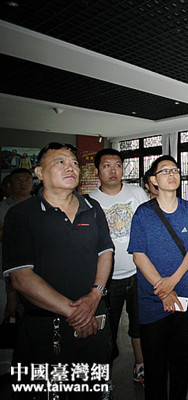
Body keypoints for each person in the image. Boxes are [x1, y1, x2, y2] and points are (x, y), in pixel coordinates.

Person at [2, 142, 113, 399]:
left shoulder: (92, 208)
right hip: (45, 326)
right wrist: (75, 313)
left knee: (90, 388)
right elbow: (21, 277)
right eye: (60, 162)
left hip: (94, 320)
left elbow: (105, 252)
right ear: (39, 173)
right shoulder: (21, 215)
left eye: (74, 163)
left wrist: (95, 295)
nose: (70, 167)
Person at [128, 155, 188, 400]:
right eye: (165, 170)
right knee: (155, 366)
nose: (172, 174)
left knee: (180, 362)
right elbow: (138, 255)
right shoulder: (143, 213)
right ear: (153, 180)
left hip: (181, 296)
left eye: (175, 170)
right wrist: (163, 288)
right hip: (152, 299)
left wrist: (172, 282)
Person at [89, 148, 149, 389]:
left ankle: (140, 366)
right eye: (106, 166)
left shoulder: (137, 193)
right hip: (106, 279)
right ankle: (105, 381)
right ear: (97, 171)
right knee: (106, 332)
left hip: (138, 273)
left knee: (140, 325)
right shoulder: (89, 201)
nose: (113, 171)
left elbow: (149, 226)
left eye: (117, 165)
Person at [0, 168, 33, 323]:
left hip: (36, 272)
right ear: (9, 184)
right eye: (18, 180)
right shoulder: (3, 207)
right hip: (5, 272)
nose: (23, 183)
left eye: (27, 179)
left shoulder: (40, 204)